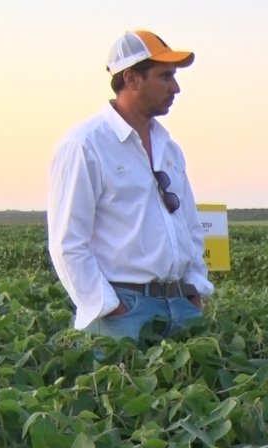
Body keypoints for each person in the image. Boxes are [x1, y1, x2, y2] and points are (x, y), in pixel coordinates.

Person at [47, 29, 213, 341]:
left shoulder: (170, 148)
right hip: (126, 310)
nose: (175, 87)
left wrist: (194, 290)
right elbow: (67, 242)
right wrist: (109, 307)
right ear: (132, 79)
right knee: (125, 390)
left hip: (180, 305)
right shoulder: (85, 145)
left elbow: (189, 226)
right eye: (165, 76)